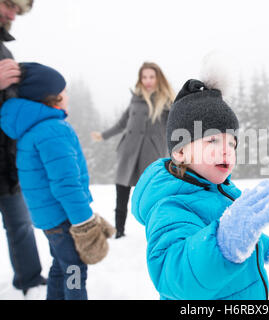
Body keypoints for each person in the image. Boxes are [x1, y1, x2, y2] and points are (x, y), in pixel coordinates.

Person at [131, 75, 269, 300]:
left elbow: (236, 228)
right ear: (180, 152)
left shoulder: (223, 192)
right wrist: (225, 243)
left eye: (232, 143)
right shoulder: (170, 206)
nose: (227, 149)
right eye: (213, 141)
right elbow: (175, 274)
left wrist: (265, 246)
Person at [0, 62, 115, 300]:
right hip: (63, 218)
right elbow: (65, 184)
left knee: (61, 266)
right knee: (74, 270)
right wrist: (84, 222)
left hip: (48, 219)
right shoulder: (53, 130)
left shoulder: (31, 130)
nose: (67, 95)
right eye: (64, 90)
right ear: (52, 97)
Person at [91, 62, 174, 239]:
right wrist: (103, 135)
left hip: (151, 153)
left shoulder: (166, 101)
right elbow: (122, 123)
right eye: (144, 77)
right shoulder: (136, 98)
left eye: (151, 77)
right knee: (121, 192)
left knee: (152, 195)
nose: (148, 81)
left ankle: (155, 233)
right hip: (129, 150)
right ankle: (119, 232)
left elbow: (173, 128)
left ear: (158, 78)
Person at [0, 0, 47, 299]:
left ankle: (30, 279)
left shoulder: (4, 49)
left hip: (6, 159)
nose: (12, 14)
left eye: (19, 10)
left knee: (20, 223)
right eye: (8, 4)